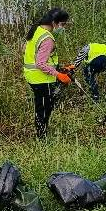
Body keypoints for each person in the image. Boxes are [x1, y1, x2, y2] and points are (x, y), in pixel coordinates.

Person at [22, 8, 71, 138]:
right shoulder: (47, 39)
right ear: (54, 22)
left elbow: (37, 56)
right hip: (42, 79)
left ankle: (41, 133)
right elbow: (41, 63)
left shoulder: (36, 30)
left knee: (41, 107)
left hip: (32, 76)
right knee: (44, 109)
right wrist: (58, 75)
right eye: (63, 24)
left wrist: (60, 68)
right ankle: (42, 138)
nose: (63, 28)